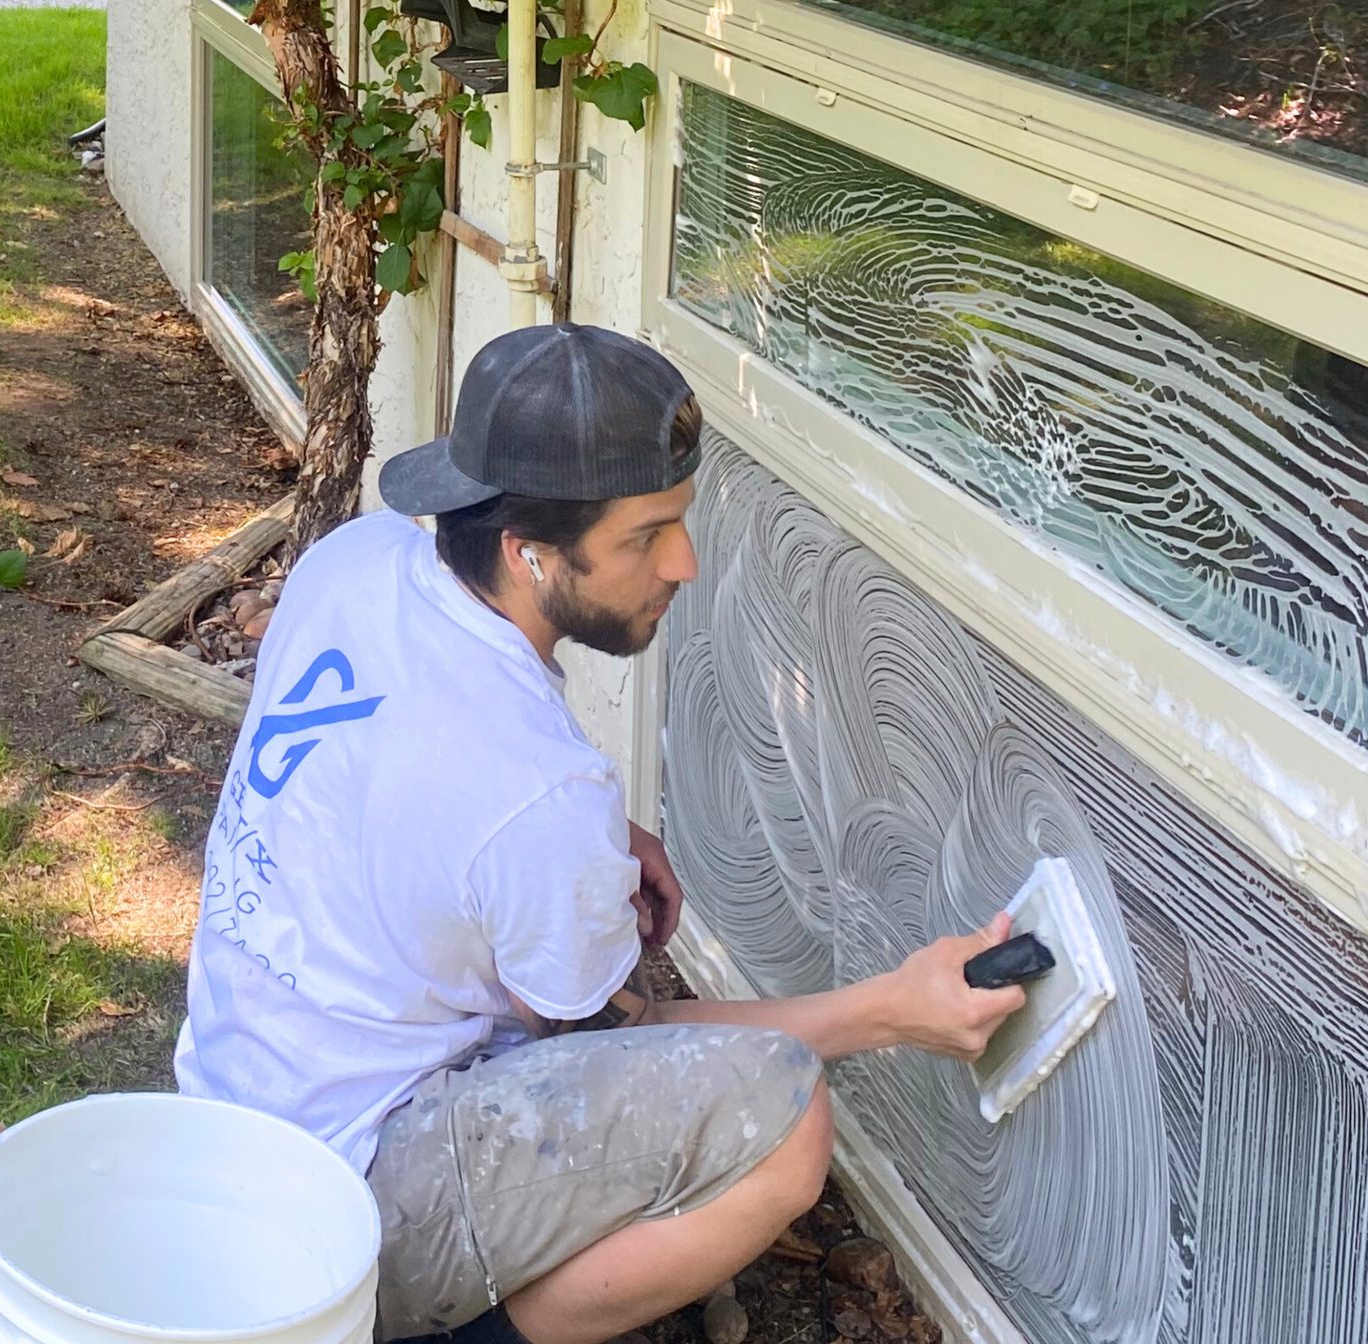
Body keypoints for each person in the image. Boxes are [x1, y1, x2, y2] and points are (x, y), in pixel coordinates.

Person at [177, 322, 1025, 1344]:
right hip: (341, 1201)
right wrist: (892, 1010)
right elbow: (590, 1043)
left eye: (680, 518)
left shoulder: (356, 561)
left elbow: (403, 774)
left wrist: (596, 837)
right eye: (642, 536)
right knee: (787, 1125)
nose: (685, 562)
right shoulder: (540, 792)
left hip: (230, 1102)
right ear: (525, 549)